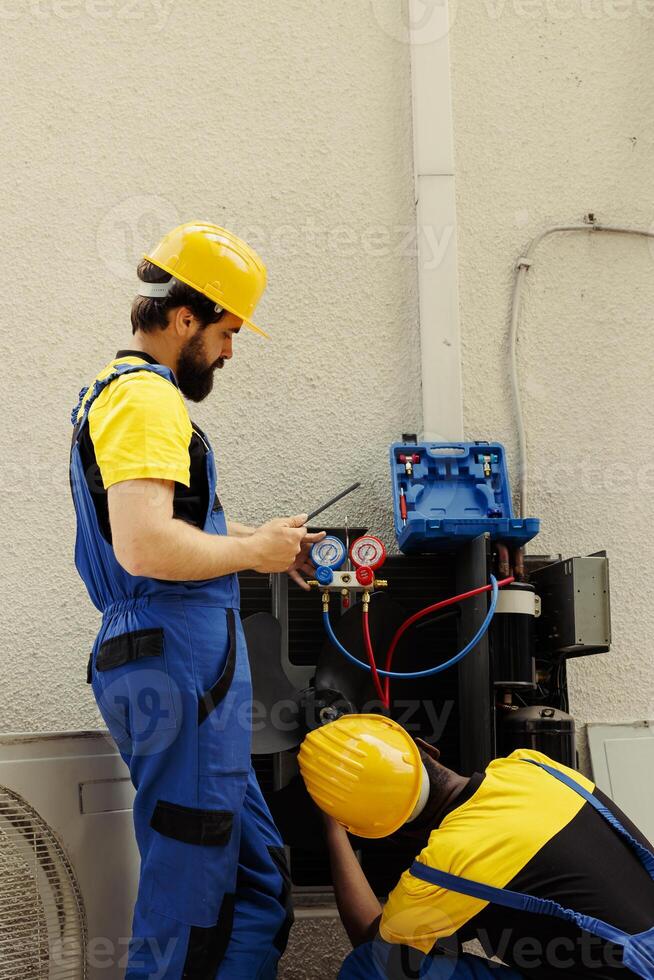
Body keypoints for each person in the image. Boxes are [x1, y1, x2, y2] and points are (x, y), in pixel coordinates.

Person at [69, 221, 325, 978]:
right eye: (227, 330)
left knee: (254, 881)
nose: (230, 351)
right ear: (185, 317)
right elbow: (145, 546)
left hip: (183, 662)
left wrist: (269, 545)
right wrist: (252, 553)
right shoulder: (148, 402)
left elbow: (178, 526)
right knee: (192, 902)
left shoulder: (125, 397)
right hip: (176, 660)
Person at [298, 713, 654, 979]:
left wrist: (333, 829)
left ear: (384, 834)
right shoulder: (531, 766)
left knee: (373, 965)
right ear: (425, 747)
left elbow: (371, 945)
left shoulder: (443, 866)